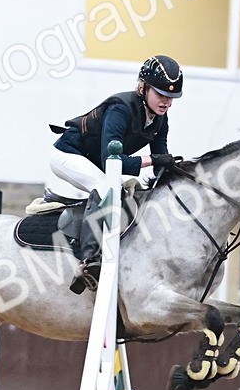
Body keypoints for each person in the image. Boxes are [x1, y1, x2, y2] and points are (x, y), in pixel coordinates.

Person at [47, 54, 185, 293]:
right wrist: (153, 159)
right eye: (161, 94)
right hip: (67, 155)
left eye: (171, 97)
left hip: (99, 163)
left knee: (129, 193)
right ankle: (88, 261)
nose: (166, 102)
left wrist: (176, 177)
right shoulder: (120, 109)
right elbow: (111, 160)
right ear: (143, 88)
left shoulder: (160, 120)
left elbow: (160, 162)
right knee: (106, 189)